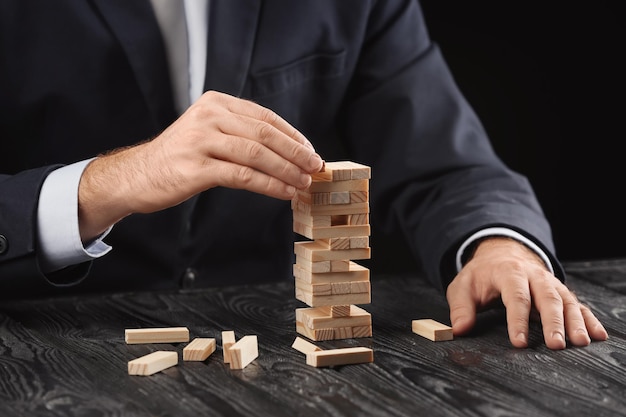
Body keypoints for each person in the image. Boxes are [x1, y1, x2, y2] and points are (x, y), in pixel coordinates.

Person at [0, 0, 607, 350]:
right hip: (47, 346)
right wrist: (106, 184)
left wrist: (500, 243)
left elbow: (449, 161)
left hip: (268, 346)